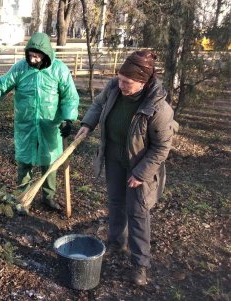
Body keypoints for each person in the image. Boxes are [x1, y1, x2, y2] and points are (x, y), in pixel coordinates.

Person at [75, 50, 176, 286]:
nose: (120, 85)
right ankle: (116, 242)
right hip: (114, 158)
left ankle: (140, 263)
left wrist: (141, 173)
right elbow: (99, 105)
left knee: (138, 211)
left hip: (139, 165)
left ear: (144, 81)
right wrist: (87, 124)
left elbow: (162, 147)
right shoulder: (114, 88)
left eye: (127, 82)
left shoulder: (158, 108)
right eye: (119, 78)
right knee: (116, 202)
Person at [0, 32, 79, 212]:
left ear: (46, 54)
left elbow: (69, 97)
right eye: (30, 55)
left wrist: (68, 119)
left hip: (50, 126)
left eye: (37, 56)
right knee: (24, 161)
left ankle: (48, 197)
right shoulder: (20, 68)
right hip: (26, 124)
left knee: (50, 162)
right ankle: (22, 199)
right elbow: (1, 85)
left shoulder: (59, 70)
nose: (33, 59)